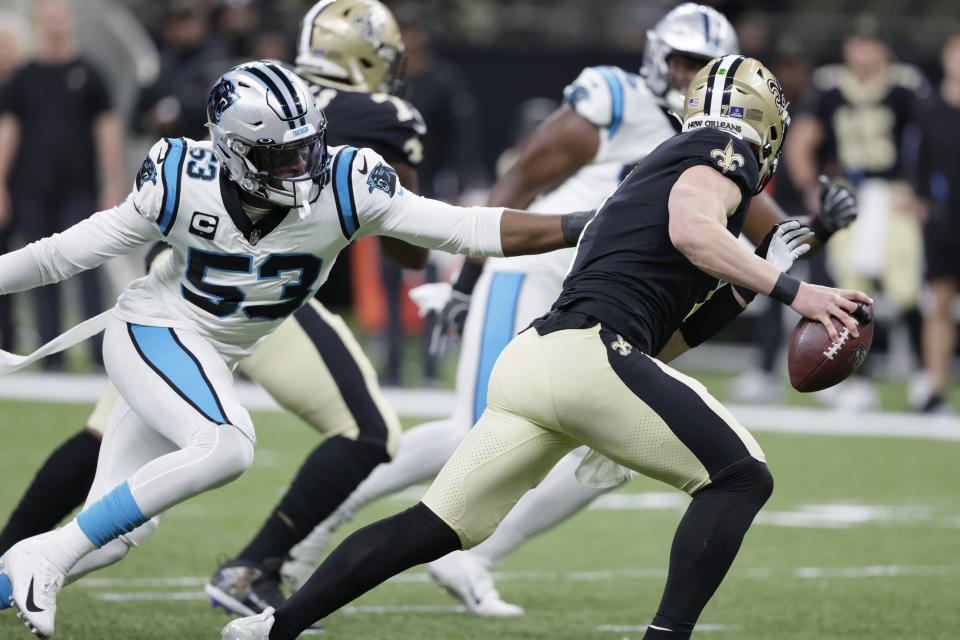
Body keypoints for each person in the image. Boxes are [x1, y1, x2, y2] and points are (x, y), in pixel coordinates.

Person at [222, 54, 871, 640]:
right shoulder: (722, 146)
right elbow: (692, 227)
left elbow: (665, 341)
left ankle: (275, 627)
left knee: (431, 525)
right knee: (740, 477)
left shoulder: (665, 171)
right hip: (589, 354)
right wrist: (797, 292)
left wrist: (754, 283)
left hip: (539, 361)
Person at [0, 59, 580, 640]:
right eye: (282, 156)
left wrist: (584, 224)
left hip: (210, 354)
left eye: (309, 148)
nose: (303, 167)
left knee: (112, 540)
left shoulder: (350, 182)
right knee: (226, 445)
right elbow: (59, 255)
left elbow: (468, 227)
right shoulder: (182, 177)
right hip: (155, 329)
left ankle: (36, 563)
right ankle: (45, 555)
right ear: (230, 151)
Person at [0, 13, 428, 635]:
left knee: (109, 465)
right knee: (363, 432)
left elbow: (160, 123)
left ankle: (16, 559)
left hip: (185, 289)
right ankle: (252, 566)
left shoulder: (252, 90)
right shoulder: (377, 116)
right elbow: (410, 249)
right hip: (230, 307)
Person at [786, 23, 930, 409]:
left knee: (905, 289)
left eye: (871, 45)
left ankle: (923, 379)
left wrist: (924, 193)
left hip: (895, 191)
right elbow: (801, 140)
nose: (863, 54)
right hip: (850, 192)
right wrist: (811, 187)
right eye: (857, 44)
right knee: (849, 287)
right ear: (848, 47)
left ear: (884, 50)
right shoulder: (831, 85)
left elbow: (934, 137)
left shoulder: (905, 85)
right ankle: (856, 381)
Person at [0, 0, 126, 370]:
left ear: (68, 21)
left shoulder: (90, 73)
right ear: (39, 23)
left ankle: (99, 354)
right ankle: (50, 358)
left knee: (87, 269)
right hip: (32, 191)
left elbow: (108, 131)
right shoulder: (23, 78)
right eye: (48, 19)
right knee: (39, 272)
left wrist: (113, 183)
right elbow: (8, 133)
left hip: (80, 190)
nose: (54, 25)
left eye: (59, 17)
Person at [914, 33, 960, 413]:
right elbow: (915, 165)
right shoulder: (928, 109)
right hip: (943, 223)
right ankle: (934, 388)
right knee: (938, 303)